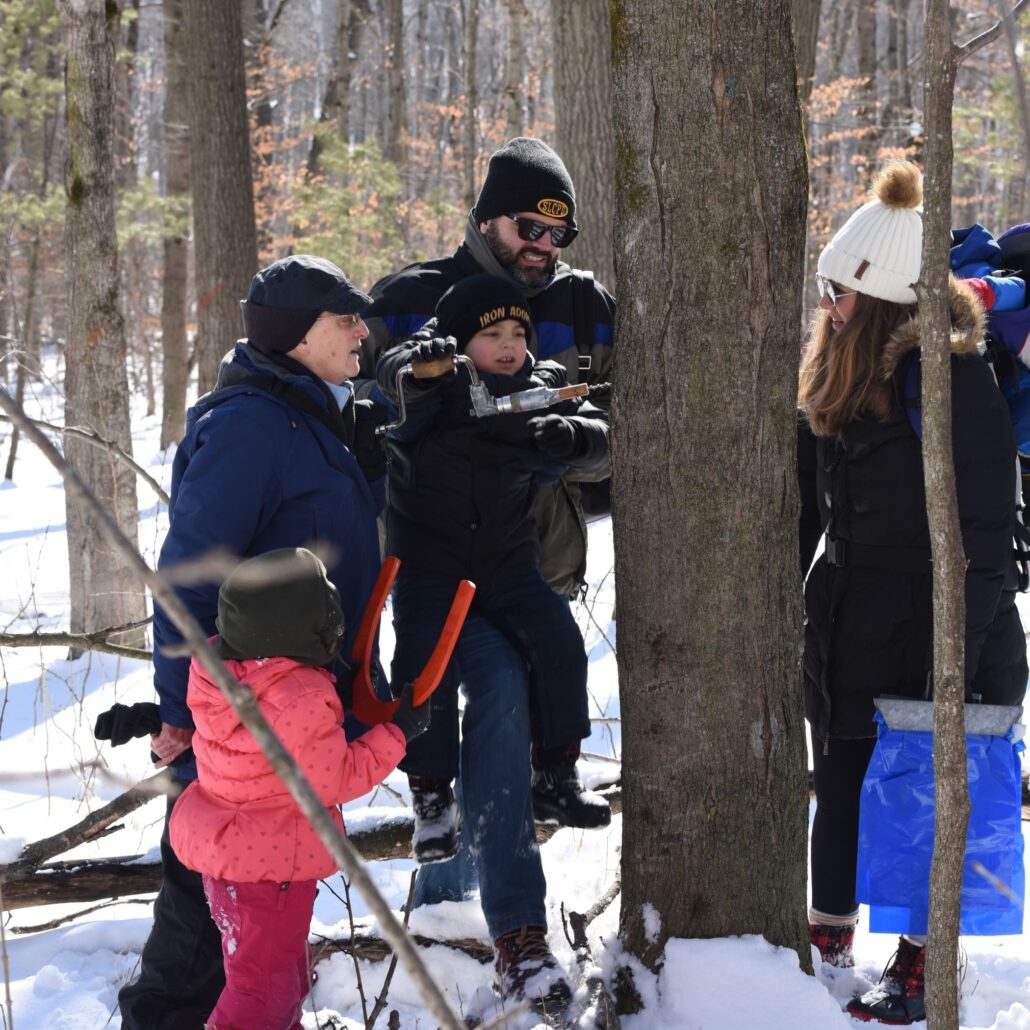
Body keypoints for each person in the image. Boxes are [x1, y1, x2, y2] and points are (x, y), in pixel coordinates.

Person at [118, 256, 388, 1030]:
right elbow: (191, 575)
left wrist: (366, 469)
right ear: (301, 336)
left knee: (239, 925)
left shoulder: (306, 413)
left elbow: (318, 534)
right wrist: (182, 710)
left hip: (291, 708)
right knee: (201, 920)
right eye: (345, 319)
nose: (360, 331)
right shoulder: (250, 424)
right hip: (239, 718)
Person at [797, 161, 1027, 1024]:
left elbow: (985, 533)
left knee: (929, 800)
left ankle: (924, 965)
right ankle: (824, 941)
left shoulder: (954, 380)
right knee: (846, 780)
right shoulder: (836, 373)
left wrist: (955, 661)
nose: (827, 305)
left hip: (943, 625)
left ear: (883, 301)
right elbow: (800, 507)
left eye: (838, 291)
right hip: (851, 619)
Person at [377, 274, 611, 868]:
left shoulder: (543, 385)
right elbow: (393, 383)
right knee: (422, 670)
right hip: (431, 568)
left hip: (509, 566)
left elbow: (604, 439)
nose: (508, 344)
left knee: (558, 642)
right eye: (491, 334)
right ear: (458, 342)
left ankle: (555, 770)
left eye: (517, 332)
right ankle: (432, 797)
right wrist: (422, 363)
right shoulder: (434, 387)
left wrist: (573, 437)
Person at [168, 548, 425, 1030]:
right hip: (272, 875)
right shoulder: (302, 697)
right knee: (263, 992)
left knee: (269, 978)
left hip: (233, 865)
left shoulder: (217, 674)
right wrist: (399, 734)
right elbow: (336, 777)